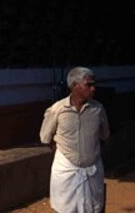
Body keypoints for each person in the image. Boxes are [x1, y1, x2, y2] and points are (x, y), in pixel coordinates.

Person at [40, 67, 110, 213]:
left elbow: (104, 136)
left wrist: (90, 154)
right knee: (64, 208)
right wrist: (65, 153)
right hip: (66, 171)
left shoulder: (98, 110)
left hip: (92, 169)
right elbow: (45, 138)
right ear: (74, 86)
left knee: (94, 207)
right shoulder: (57, 109)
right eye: (88, 85)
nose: (93, 89)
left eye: (93, 84)